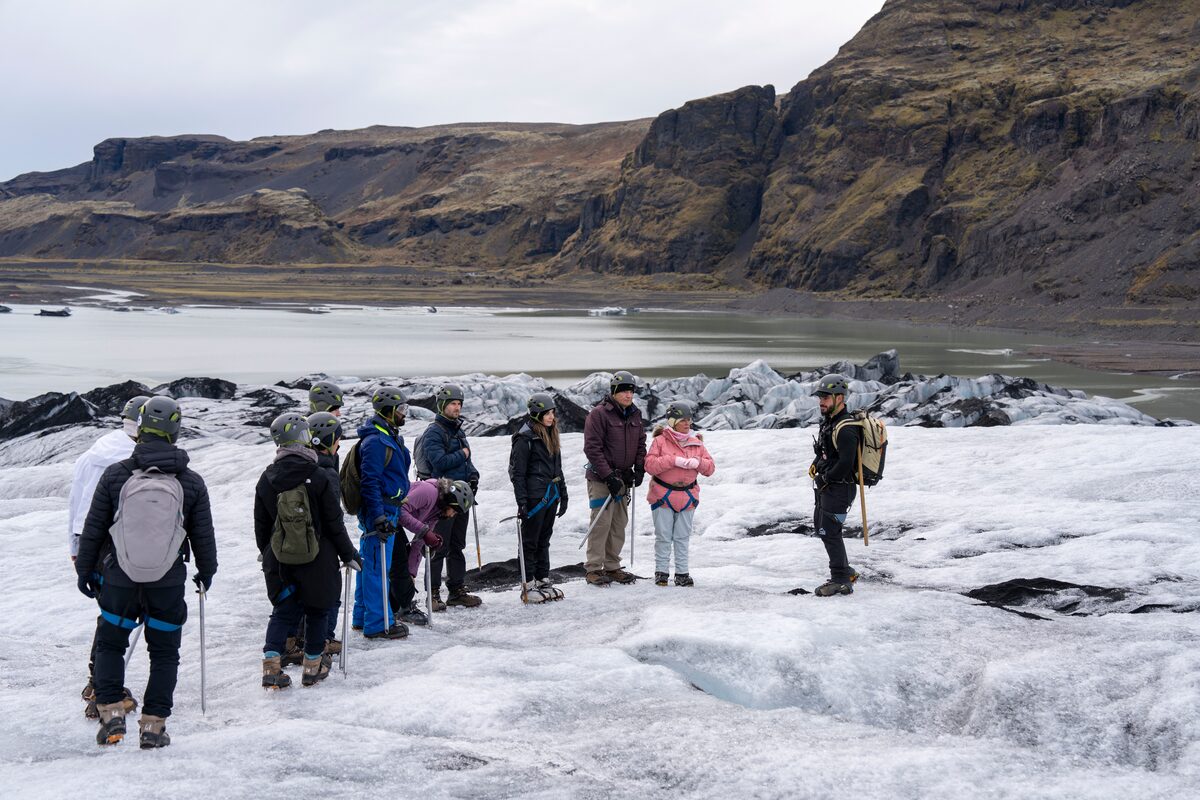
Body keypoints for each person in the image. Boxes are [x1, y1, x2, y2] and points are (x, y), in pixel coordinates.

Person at [74, 396, 218, 748]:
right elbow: (203, 535)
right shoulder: (192, 482)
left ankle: (111, 717)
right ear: (175, 432)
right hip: (166, 583)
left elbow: (94, 528)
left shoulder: (116, 474)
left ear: (140, 430)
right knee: (165, 653)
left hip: (120, 579)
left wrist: (85, 570)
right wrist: (206, 571)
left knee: (111, 644)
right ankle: (153, 726)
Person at [255, 413, 361, 690]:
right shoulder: (319, 475)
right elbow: (334, 524)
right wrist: (348, 554)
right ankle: (313, 667)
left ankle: (271, 667)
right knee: (317, 611)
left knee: (282, 611)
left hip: (280, 557)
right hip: (318, 557)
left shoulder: (267, 478)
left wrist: (268, 554)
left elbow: (262, 525)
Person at [70, 393, 147, 719]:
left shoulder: (93, 453)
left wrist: (76, 548)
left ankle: (96, 682)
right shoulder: (136, 458)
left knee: (111, 614)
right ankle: (102, 691)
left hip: (88, 539)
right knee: (118, 617)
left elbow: (76, 500)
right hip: (120, 544)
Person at [413, 384, 482, 610]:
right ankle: (432, 594)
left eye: (459, 403)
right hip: (442, 499)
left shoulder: (458, 431)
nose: (457, 408)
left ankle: (456, 590)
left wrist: (473, 476)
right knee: (438, 546)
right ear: (442, 405)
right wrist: (461, 454)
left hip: (460, 498)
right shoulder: (434, 432)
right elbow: (439, 463)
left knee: (457, 545)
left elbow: (467, 462)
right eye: (453, 403)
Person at [351, 386, 412, 640]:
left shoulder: (387, 435)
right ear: (389, 411)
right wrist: (378, 516)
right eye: (401, 409)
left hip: (389, 507)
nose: (404, 413)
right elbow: (370, 482)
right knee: (377, 566)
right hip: (381, 509)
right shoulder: (376, 441)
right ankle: (377, 623)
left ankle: (361, 616)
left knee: (370, 563)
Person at [582, 370, 647, 586]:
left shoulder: (635, 414)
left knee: (619, 523)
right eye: (624, 391)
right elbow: (592, 449)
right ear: (614, 392)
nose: (628, 395)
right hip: (602, 479)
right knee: (601, 523)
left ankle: (612, 566)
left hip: (623, 479)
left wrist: (639, 467)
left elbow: (640, 443)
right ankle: (593, 568)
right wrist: (608, 476)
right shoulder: (599, 414)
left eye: (631, 391)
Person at [644, 400, 715, 587]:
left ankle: (682, 573)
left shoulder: (696, 443)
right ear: (673, 421)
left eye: (689, 420)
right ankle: (661, 572)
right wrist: (673, 460)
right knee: (663, 536)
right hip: (663, 495)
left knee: (682, 537)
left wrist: (697, 462)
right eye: (683, 420)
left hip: (687, 496)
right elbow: (649, 465)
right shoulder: (660, 441)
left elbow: (710, 469)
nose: (687, 423)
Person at [508, 392, 568, 602]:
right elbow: (518, 473)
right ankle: (528, 583)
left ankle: (542, 578)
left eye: (552, 413)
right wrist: (522, 502)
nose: (551, 417)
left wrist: (564, 493)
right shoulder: (525, 439)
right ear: (536, 414)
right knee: (530, 541)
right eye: (547, 413)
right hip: (534, 498)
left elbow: (557, 468)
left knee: (544, 539)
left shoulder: (551, 435)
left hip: (550, 495)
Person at [809, 374, 862, 597]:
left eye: (826, 397)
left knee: (829, 531)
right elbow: (827, 453)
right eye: (820, 396)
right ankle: (845, 570)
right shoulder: (831, 422)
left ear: (840, 398)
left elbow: (845, 464)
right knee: (824, 529)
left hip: (840, 488)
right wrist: (816, 465)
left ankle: (841, 580)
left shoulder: (847, 428)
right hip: (828, 486)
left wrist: (825, 477)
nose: (821, 401)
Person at [394, 478, 468, 595]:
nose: (453, 515)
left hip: (393, 523)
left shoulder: (437, 512)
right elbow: (399, 510)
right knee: (398, 561)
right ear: (450, 502)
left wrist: (411, 573)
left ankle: (400, 606)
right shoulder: (428, 492)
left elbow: (419, 543)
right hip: (384, 518)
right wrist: (424, 531)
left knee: (403, 567)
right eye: (454, 511)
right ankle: (397, 608)